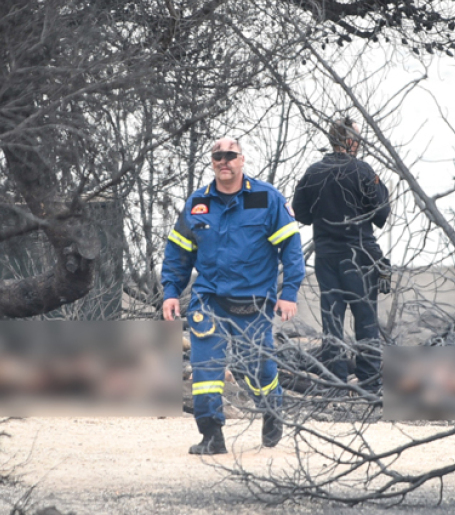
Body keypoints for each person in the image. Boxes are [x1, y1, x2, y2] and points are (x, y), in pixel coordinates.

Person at [162, 138, 305, 455]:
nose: (223, 161)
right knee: (206, 370)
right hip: (209, 299)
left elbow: (291, 250)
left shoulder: (266, 199)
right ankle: (212, 435)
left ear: (242, 160)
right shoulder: (199, 203)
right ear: (212, 162)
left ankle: (271, 408)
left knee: (257, 369)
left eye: (230, 155)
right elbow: (178, 253)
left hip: (253, 302)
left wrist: (289, 292)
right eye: (217, 156)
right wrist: (171, 291)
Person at [292, 118, 390, 392]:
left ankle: (335, 383)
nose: (359, 144)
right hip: (360, 254)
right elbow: (382, 212)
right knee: (366, 319)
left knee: (332, 322)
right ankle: (369, 383)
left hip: (326, 257)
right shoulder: (362, 170)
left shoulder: (313, 172)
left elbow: (300, 213)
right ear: (349, 141)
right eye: (357, 139)